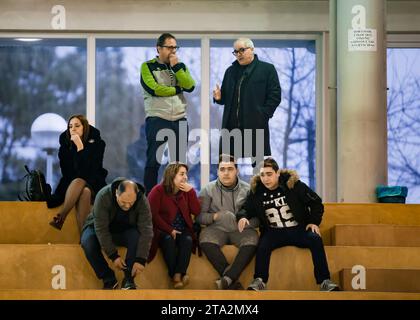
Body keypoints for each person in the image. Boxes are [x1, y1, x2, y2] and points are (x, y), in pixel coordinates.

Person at [237, 158, 340, 292]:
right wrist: (243, 217)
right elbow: (245, 208)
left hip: (298, 229)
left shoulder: (293, 185)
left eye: (269, 174)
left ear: (277, 173)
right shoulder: (257, 191)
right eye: (262, 175)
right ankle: (259, 281)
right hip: (273, 232)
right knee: (262, 245)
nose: (265, 179)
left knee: (315, 239)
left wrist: (313, 222)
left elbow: (316, 203)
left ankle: (325, 281)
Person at [140, 32, 195, 195]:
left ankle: (177, 196)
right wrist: (178, 89)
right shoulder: (147, 66)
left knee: (179, 165)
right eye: (169, 47)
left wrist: (177, 67)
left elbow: (190, 86)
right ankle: (149, 197)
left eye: (175, 47)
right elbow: (155, 89)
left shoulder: (180, 66)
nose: (173, 51)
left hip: (180, 118)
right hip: (157, 118)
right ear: (158, 48)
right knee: (153, 161)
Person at [213, 38, 281, 166]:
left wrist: (263, 115)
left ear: (252, 49)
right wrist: (219, 98)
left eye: (242, 50)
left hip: (255, 126)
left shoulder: (267, 69)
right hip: (231, 128)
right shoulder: (230, 71)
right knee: (228, 167)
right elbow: (226, 97)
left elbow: (275, 95)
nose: (239, 54)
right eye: (236, 52)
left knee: (259, 169)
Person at [197, 154, 258, 290]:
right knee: (204, 238)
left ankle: (227, 279)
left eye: (230, 169)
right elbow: (199, 217)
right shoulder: (207, 190)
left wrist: (246, 223)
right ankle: (232, 282)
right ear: (218, 171)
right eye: (222, 169)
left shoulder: (248, 190)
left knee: (253, 238)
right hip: (216, 229)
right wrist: (214, 217)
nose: (226, 173)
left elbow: (257, 218)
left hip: (240, 230)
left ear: (236, 170)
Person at [80, 179, 153, 290]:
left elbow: (146, 230)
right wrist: (113, 256)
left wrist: (141, 259)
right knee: (88, 242)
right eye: (123, 202)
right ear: (116, 193)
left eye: (131, 203)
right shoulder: (103, 196)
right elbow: (101, 228)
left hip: (124, 229)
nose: (127, 206)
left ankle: (129, 279)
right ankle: (108, 278)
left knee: (136, 237)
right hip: (96, 226)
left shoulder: (142, 199)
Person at [48, 114, 108, 232]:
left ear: (84, 128)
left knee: (81, 181)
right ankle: (84, 238)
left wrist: (80, 147)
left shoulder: (98, 144)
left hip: (94, 183)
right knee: (84, 191)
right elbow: (67, 173)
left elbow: (91, 171)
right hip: (72, 186)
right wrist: (75, 149)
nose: (73, 129)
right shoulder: (65, 147)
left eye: (77, 126)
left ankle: (61, 217)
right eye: (70, 127)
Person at [147, 162, 200, 289]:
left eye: (186, 174)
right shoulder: (157, 191)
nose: (185, 177)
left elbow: (196, 211)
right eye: (182, 174)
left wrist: (192, 192)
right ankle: (179, 276)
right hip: (162, 229)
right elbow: (153, 215)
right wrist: (169, 230)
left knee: (187, 240)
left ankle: (177, 275)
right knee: (168, 240)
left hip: (183, 228)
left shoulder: (187, 191)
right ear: (172, 175)